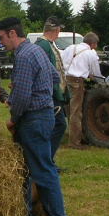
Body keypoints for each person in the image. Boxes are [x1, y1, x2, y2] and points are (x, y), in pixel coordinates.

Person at [0, 17, 68, 216]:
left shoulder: (24, 56)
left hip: (33, 119)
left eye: (1, 38)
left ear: (12, 34)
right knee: (35, 169)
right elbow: (54, 76)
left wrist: (13, 119)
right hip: (44, 115)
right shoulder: (37, 51)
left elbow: (23, 98)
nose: (1, 44)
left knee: (43, 171)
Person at [60, 32, 101, 149]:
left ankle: (76, 135)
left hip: (65, 79)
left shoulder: (70, 48)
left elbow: (62, 61)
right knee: (76, 112)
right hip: (77, 82)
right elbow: (95, 73)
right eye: (96, 44)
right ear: (93, 44)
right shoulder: (90, 54)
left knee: (69, 110)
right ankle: (75, 142)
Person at [35, 16, 68, 155]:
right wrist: (57, 92)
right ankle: (47, 159)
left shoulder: (47, 44)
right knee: (59, 125)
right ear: (56, 30)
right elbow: (48, 73)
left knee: (56, 125)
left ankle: (48, 160)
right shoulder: (43, 45)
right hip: (50, 94)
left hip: (53, 93)